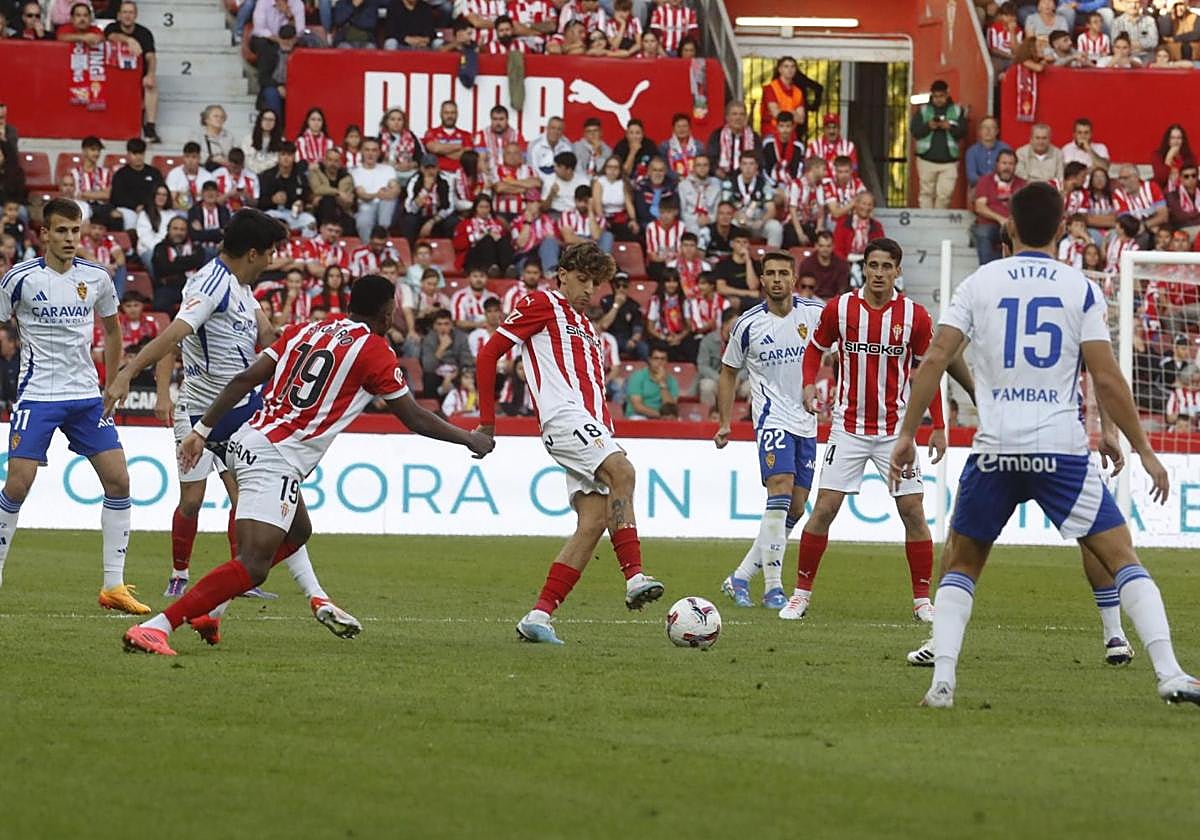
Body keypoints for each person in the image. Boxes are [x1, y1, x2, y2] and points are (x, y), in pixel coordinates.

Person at [890, 181, 1200, 708]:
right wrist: (1145, 450)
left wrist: (905, 436)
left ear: (1007, 226)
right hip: (1059, 448)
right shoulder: (1079, 287)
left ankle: (941, 682)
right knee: (1122, 556)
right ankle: (1170, 673)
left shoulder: (978, 283)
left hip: (994, 449)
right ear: (1061, 227)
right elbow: (1105, 378)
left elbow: (934, 360)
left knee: (961, 564)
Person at [123, 274, 493, 655]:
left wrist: (201, 430)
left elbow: (246, 378)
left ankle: (210, 611)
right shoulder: (374, 350)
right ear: (386, 313)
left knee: (298, 531)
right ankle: (158, 626)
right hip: (275, 459)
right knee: (253, 566)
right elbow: (414, 417)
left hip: (251, 437)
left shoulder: (307, 330)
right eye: (393, 308)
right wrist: (469, 437)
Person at [107, 208, 347, 610]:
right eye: (270, 253)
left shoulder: (241, 287)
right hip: (206, 412)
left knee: (264, 503)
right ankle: (191, 582)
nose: (272, 261)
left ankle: (259, 592)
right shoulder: (211, 285)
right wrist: (128, 373)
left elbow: (268, 335)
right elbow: (174, 336)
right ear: (253, 253)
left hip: (241, 409)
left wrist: (308, 337)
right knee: (212, 500)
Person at [474, 242, 664, 642]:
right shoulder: (541, 302)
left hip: (593, 424)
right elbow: (490, 353)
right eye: (581, 280)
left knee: (593, 523)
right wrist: (487, 423)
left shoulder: (587, 326)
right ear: (561, 274)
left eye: (594, 284)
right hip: (565, 419)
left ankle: (538, 616)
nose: (587, 291)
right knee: (623, 471)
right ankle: (633, 578)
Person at [779, 237, 945, 622]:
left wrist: (937, 424)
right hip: (848, 428)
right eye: (873, 265)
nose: (879, 273)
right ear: (864, 268)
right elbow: (814, 349)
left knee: (913, 512)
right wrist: (808, 381)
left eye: (887, 266)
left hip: (895, 432)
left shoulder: (915, 316)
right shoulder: (841, 309)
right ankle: (800, 594)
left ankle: (922, 600)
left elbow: (928, 372)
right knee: (823, 510)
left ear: (897, 271)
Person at [0, 198, 146, 611]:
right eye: (61, 231)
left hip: (86, 396)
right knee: (19, 483)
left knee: (119, 480)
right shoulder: (19, 279)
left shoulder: (97, 277)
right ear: (43, 233)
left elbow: (113, 331)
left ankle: (113, 587)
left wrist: (116, 380)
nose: (69, 239)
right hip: (38, 395)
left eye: (75, 231)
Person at [713, 251, 824, 608]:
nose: (777, 279)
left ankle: (740, 577)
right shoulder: (747, 325)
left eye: (783, 273)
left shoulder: (815, 314)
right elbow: (728, 371)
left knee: (796, 505)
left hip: (807, 421)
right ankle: (774, 587)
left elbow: (839, 352)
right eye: (770, 273)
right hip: (772, 417)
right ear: (761, 280)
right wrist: (726, 422)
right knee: (780, 489)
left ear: (794, 278)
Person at [104, 1, 159, 142]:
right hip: (115, 75)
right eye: (125, 12)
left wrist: (151, 74)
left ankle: (150, 127)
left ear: (136, 15)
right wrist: (128, 40)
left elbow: (151, 56)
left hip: (138, 75)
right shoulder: (112, 27)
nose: (127, 16)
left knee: (151, 84)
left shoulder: (145, 33)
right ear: (119, 15)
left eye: (131, 12)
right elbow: (111, 36)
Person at [911, 80, 966, 210]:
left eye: (941, 96)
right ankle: (927, 222)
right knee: (926, 194)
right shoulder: (923, 110)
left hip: (949, 161)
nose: (938, 99)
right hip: (926, 159)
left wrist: (949, 127)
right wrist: (928, 126)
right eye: (935, 96)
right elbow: (915, 131)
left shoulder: (957, 110)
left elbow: (963, 132)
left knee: (945, 195)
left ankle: (939, 221)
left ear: (947, 95)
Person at [973, 149, 1025, 265]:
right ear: (997, 164)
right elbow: (980, 207)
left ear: (1016, 166)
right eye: (1004, 163)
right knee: (983, 233)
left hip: (1014, 227)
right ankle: (986, 272)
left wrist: (1011, 222)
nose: (1007, 167)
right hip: (991, 225)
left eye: (1011, 164)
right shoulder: (985, 181)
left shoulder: (1022, 184)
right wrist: (1000, 219)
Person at [722, 151, 782, 247]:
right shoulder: (729, 183)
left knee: (775, 227)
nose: (748, 168)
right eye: (744, 164)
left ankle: (771, 259)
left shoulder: (763, 184)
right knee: (729, 223)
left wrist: (761, 221)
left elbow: (771, 209)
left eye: (751, 164)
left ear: (756, 166)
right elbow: (724, 207)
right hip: (738, 221)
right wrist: (736, 215)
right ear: (740, 166)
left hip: (757, 222)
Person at [759, 56, 822, 140]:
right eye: (786, 66)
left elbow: (801, 119)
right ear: (780, 69)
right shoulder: (770, 88)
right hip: (772, 134)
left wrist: (784, 110)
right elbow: (776, 114)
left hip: (791, 135)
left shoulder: (798, 92)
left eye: (792, 66)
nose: (790, 69)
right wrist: (793, 112)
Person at [111, 137, 165, 231]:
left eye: (141, 153)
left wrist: (146, 206)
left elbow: (160, 192)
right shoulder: (121, 174)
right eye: (134, 154)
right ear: (128, 154)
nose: (138, 157)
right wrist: (135, 206)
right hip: (128, 210)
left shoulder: (154, 173)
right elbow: (117, 197)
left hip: (151, 208)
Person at [596, 271, 646, 360]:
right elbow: (603, 325)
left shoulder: (634, 305)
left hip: (627, 339)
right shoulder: (606, 301)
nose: (621, 289)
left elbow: (638, 328)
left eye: (624, 286)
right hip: (609, 338)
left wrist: (634, 340)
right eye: (618, 286)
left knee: (643, 348)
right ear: (613, 287)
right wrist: (616, 305)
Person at [706, 101, 759, 181]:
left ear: (745, 117)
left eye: (742, 114)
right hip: (722, 178)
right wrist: (720, 174)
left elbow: (760, 161)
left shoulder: (754, 137)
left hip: (748, 178)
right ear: (727, 117)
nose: (738, 118)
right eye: (734, 114)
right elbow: (710, 160)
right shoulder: (717, 135)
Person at [797, 229, 849, 299]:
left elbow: (843, 290)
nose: (825, 249)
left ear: (833, 246)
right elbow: (803, 288)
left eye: (828, 246)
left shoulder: (842, 264)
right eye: (821, 246)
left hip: (834, 301)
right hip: (813, 299)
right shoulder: (807, 264)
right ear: (816, 246)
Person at [831, 192, 884, 261]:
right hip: (846, 263)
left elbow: (881, 249)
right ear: (856, 204)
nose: (866, 207)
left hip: (869, 264)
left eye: (870, 204)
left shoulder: (877, 226)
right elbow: (837, 250)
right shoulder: (843, 224)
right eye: (864, 203)